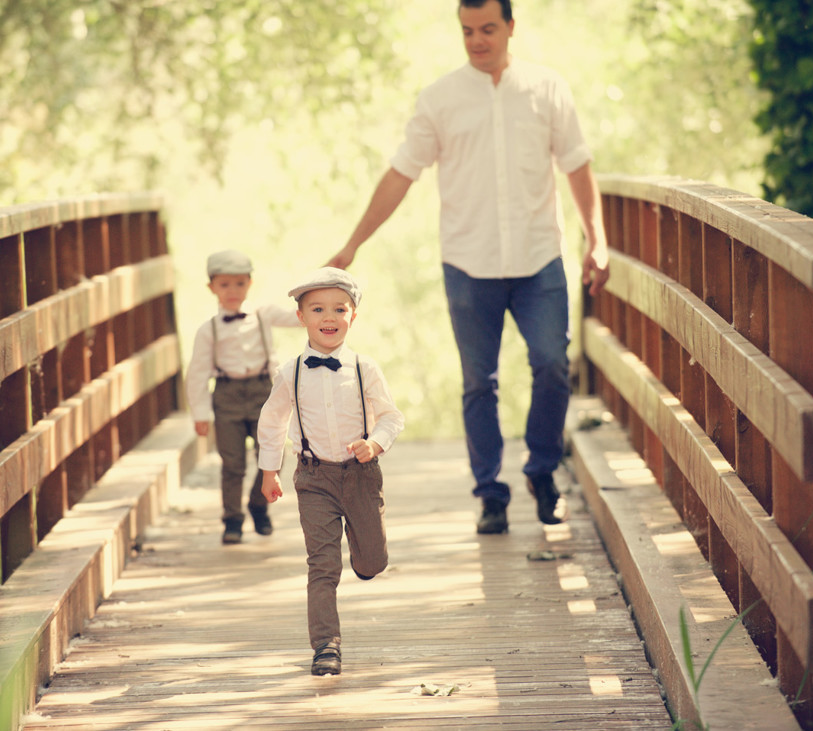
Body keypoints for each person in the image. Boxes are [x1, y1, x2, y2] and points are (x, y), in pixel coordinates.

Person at [327, 0, 609, 535]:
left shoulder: (547, 89)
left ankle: (543, 472)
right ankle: (490, 494)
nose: (477, 40)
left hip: (538, 259)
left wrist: (598, 241)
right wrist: (352, 245)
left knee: (552, 364)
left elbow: (577, 164)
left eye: (487, 29)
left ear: (510, 27)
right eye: (467, 31)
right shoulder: (440, 99)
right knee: (479, 382)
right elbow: (400, 175)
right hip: (468, 263)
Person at [258, 267, 405, 676]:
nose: (329, 317)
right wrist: (270, 471)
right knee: (322, 564)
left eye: (339, 309)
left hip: (360, 476)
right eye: (317, 308)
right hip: (314, 479)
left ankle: (366, 558)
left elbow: (392, 418)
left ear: (353, 316)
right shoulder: (291, 372)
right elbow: (272, 423)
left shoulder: (364, 368)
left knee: (373, 560)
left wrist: (374, 442)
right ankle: (326, 645)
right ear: (301, 316)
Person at [184, 249, 302, 545]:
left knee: (272, 454)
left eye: (239, 283)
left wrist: (320, 296)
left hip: (265, 392)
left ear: (250, 283)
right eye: (224, 285)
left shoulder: (263, 313)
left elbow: (298, 317)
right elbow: (197, 374)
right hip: (227, 396)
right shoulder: (208, 330)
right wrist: (200, 414)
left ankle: (258, 505)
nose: (232, 291)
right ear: (211, 287)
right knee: (232, 463)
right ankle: (232, 520)